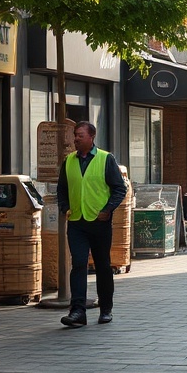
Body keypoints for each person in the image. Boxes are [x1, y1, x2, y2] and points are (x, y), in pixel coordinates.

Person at [56, 120, 127, 328]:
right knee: (78, 264)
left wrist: (108, 210)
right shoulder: (69, 161)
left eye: (80, 135)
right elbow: (62, 189)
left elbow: (119, 189)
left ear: (91, 137)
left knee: (102, 265)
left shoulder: (106, 159)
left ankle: (106, 309)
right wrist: (64, 208)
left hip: (99, 222)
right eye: (75, 135)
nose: (76, 139)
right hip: (77, 222)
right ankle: (77, 311)